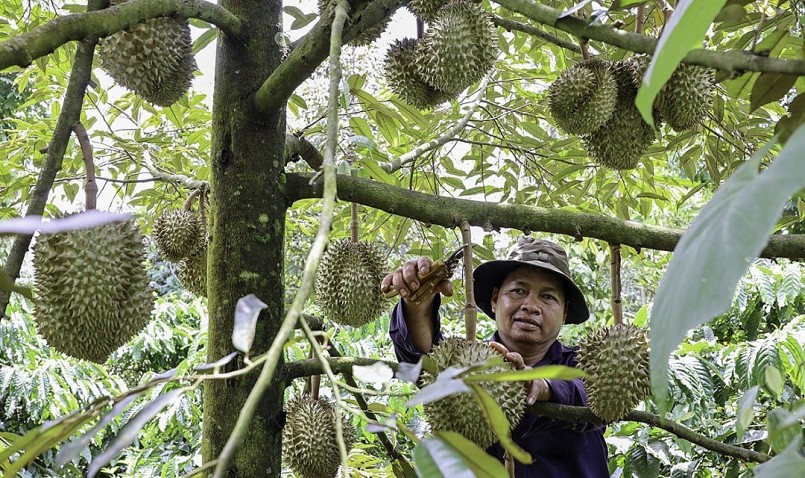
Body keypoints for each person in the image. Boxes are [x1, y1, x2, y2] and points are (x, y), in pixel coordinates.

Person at [381, 236, 610, 477]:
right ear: (494, 300)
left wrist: (543, 386)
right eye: (518, 291)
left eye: (548, 297)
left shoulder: (582, 364)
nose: (530, 305)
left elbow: (601, 397)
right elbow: (422, 356)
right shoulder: (465, 364)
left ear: (564, 314)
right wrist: (417, 302)